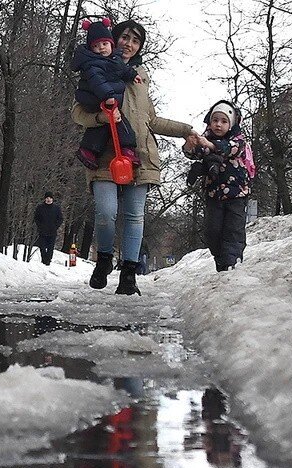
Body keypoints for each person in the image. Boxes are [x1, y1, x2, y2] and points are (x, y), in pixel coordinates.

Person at [72, 19, 199, 295]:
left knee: (134, 216)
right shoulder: (96, 66)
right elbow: (78, 113)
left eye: (135, 40)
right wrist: (101, 117)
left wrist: (186, 130)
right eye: (125, 37)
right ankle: (104, 258)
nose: (129, 44)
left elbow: (151, 119)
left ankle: (129, 275)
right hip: (104, 153)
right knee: (106, 212)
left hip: (139, 153)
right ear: (113, 38)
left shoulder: (141, 76)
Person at [183, 100, 255, 272]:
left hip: (236, 194)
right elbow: (196, 152)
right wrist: (189, 146)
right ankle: (221, 260)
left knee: (233, 230)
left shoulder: (238, 141)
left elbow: (229, 148)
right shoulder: (206, 139)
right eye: (215, 120)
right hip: (213, 195)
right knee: (212, 231)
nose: (218, 124)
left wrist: (209, 144)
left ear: (231, 124)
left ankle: (232, 262)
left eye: (223, 121)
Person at [71, 17, 141, 170]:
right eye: (96, 46)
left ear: (111, 44)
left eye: (104, 44)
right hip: (94, 98)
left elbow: (124, 70)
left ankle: (89, 150)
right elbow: (97, 82)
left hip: (105, 98)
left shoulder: (114, 59)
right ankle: (127, 149)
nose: (101, 48)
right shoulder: (92, 64)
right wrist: (108, 96)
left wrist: (133, 75)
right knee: (119, 122)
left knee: (106, 124)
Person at [33, 192, 63, 266]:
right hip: (42, 231)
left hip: (52, 231)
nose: (48, 199)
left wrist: (55, 226)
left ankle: (48, 261)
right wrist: (40, 226)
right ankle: (44, 260)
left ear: (52, 199)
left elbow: (60, 219)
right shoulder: (40, 208)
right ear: (45, 199)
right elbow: (36, 218)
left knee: (50, 248)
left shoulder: (56, 208)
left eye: (50, 198)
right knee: (42, 247)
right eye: (47, 198)